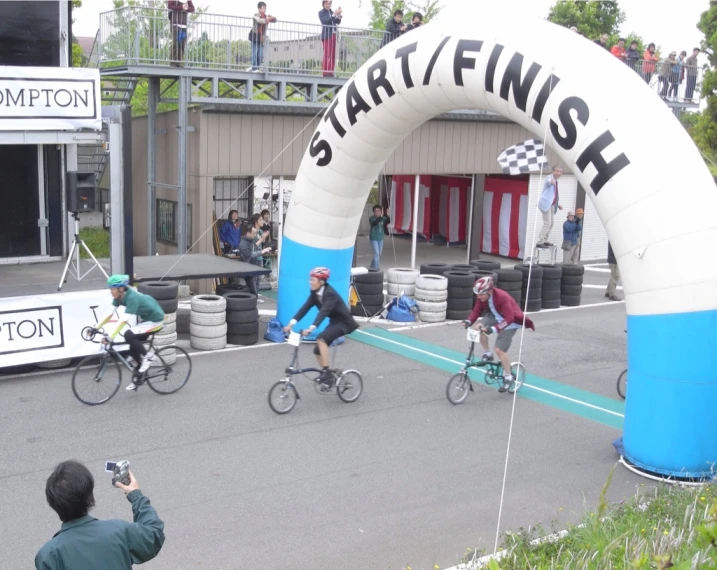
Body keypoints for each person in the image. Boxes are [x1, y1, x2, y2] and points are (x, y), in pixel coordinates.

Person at [35, 460, 164, 570]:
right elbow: (154, 533)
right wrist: (135, 495)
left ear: (53, 503)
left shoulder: (49, 556)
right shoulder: (120, 532)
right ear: (90, 496)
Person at [283, 267, 359, 387]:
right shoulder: (315, 293)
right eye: (310, 279)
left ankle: (326, 372)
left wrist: (311, 328)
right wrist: (291, 324)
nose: (310, 282)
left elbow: (323, 311)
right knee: (317, 350)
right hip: (334, 321)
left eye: (312, 280)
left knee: (321, 339)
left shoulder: (330, 294)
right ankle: (328, 374)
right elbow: (305, 308)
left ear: (321, 282)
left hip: (344, 323)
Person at [462, 276, 534, 393]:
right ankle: (487, 354)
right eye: (477, 294)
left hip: (510, 323)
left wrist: (494, 329)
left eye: (481, 294)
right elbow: (476, 310)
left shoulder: (502, 297)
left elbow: (509, 318)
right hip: (496, 316)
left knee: (499, 350)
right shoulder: (483, 297)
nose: (478, 297)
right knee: (476, 327)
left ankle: (508, 376)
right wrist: (468, 321)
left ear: (489, 291)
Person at [95, 275, 165, 391]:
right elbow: (109, 313)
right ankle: (139, 375)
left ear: (121, 289)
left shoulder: (132, 298)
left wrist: (111, 337)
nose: (110, 292)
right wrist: (96, 327)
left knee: (129, 335)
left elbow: (123, 320)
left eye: (112, 289)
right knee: (131, 342)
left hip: (156, 320)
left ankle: (148, 357)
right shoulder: (119, 297)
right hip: (147, 319)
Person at [238, 222, 272, 296]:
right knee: (252, 288)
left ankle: (255, 298)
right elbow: (249, 255)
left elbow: (255, 247)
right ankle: (253, 300)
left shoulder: (250, 241)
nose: (254, 235)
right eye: (253, 233)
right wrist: (261, 252)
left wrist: (265, 248)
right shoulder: (243, 243)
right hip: (247, 268)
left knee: (256, 282)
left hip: (253, 265)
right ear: (248, 233)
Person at [536, 165, 563, 247]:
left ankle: (545, 239)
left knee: (551, 223)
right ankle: (540, 241)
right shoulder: (550, 177)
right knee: (547, 223)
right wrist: (551, 182)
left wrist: (557, 205)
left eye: (560, 172)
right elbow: (548, 183)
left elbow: (553, 195)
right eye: (557, 171)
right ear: (553, 171)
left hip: (551, 205)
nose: (559, 173)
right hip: (545, 204)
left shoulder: (556, 181)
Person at [249, 2, 277, 72]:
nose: (265, 9)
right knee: (254, 54)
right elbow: (259, 20)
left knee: (260, 55)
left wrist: (272, 18)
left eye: (265, 8)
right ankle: (254, 68)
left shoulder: (266, 16)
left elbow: (275, 20)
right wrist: (267, 19)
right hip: (255, 36)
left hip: (262, 38)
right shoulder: (256, 15)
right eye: (263, 8)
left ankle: (254, 67)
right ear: (259, 8)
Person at [167, 1, 195, 67]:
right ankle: (173, 62)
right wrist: (181, 7)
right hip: (175, 24)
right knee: (175, 43)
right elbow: (170, 6)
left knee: (182, 44)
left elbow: (193, 9)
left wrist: (187, 8)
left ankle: (179, 62)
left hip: (184, 25)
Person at [319, 0, 342, 77]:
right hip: (327, 35)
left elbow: (337, 22)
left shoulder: (332, 12)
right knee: (327, 54)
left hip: (333, 34)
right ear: (323, 4)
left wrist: (338, 15)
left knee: (332, 54)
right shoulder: (321, 12)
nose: (328, 4)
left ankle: (331, 72)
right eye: (326, 2)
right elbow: (325, 21)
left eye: (329, 2)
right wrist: (333, 15)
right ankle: (325, 72)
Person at [368, 204, 390, 270]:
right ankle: (376, 268)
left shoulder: (383, 218)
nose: (377, 212)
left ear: (381, 211)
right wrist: (381, 216)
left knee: (378, 254)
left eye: (378, 211)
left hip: (380, 238)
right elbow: (376, 222)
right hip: (373, 238)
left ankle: (372, 265)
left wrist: (388, 215)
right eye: (375, 211)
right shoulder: (371, 218)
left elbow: (388, 221)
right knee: (376, 254)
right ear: (373, 212)